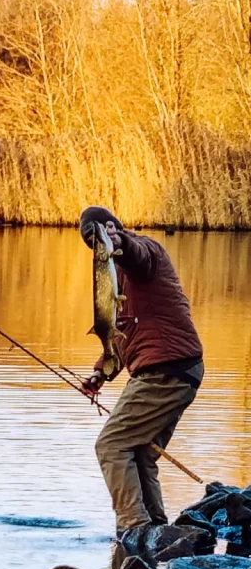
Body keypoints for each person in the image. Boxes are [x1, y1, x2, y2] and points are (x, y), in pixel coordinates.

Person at [78, 206, 204, 537]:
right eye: (91, 245)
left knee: (111, 445)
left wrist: (120, 240)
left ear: (111, 229)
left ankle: (133, 528)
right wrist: (100, 373)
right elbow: (121, 335)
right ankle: (156, 530)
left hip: (165, 370)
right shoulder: (116, 279)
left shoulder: (145, 252)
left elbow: (138, 255)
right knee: (142, 452)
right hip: (180, 368)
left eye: (98, 240)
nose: (97, 249)